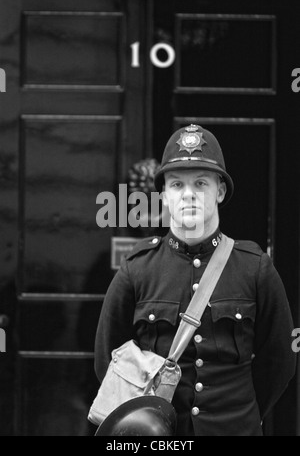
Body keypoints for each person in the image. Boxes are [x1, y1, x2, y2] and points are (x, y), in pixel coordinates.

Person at [94, 124, 296, 436]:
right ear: (164, 195)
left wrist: (244, 416)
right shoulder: (137, 269)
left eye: (200, 183)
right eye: (177, 185)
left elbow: (279, 362)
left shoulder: (254, 268)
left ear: (220, 191)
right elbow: (107, 360)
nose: (188, 194)